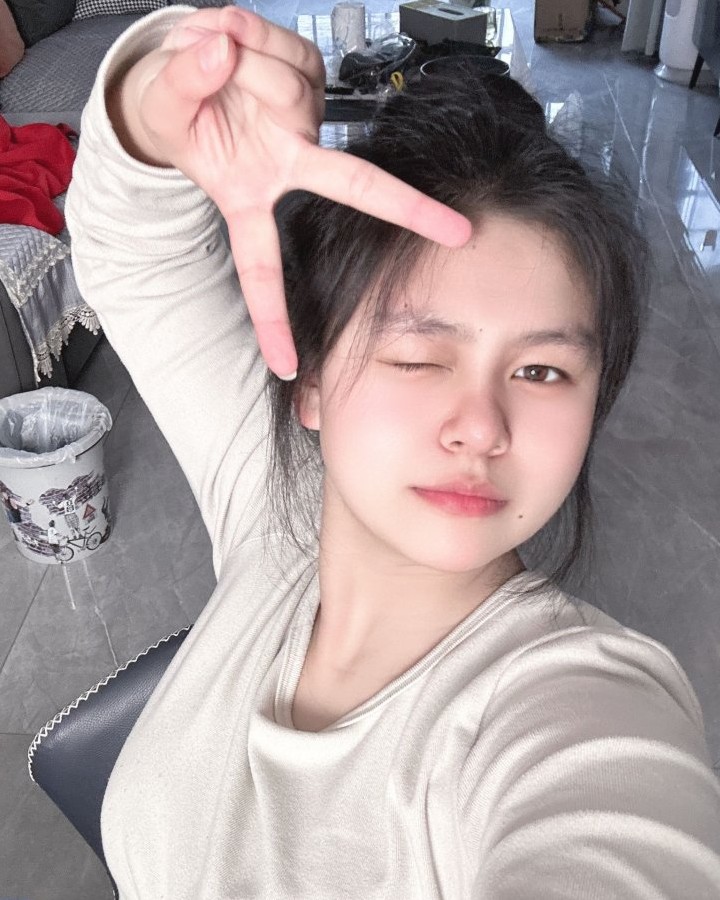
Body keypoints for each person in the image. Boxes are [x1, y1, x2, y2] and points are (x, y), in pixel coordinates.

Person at [66, 5, 720, 898]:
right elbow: (137, 255)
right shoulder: (277, 508)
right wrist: (162, 94)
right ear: (309, 383)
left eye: (541, 371)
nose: (481, 426)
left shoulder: (581, 713)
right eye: (417, 357)